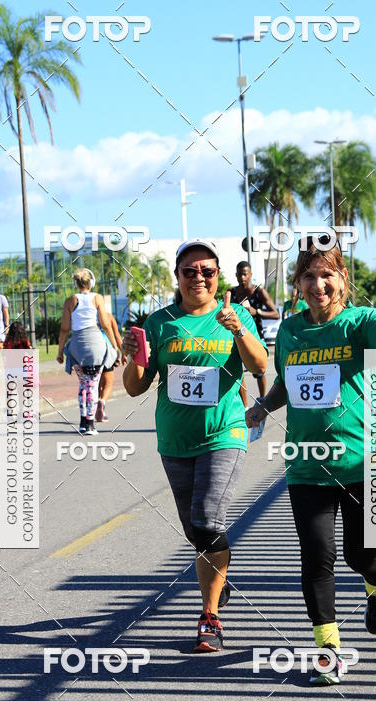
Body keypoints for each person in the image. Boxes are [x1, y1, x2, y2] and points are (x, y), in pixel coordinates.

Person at [246, 237, 376, 685]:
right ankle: (329, 649)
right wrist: (264, 406)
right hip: (306, 463)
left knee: (362, 556)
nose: (318, 284)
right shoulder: (290, 328)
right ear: (297, 283)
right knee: (317, 557)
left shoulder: (362, 321)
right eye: (308, 276)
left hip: (363, 462)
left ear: (342, 278)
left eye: (327, 275)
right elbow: (286, 382)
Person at [122, 239, 267, 652]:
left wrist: (238, 329)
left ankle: (210, 617)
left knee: (206, 520)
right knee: (196, 531)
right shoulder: (159, 323)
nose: (199, 277)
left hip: (225, 433)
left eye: (207, 271)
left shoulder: (236, 314)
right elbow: (135, 389)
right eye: (190, 271)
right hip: (175, 440)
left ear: (217, 276)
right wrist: (127, 356)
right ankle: (219, 578)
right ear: (178, 277)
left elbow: (259, 366)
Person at [56, 268, 119, 435]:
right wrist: (114, 346)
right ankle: (90, 423)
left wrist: (60, 351)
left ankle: (83, 420)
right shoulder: (97, 298)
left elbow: (64, 329)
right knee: (94, 383)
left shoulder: (70, 301)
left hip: (77, 344)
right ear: (91, 282)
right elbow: (105, 324)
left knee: (83, 384)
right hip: (95, 343)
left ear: (75, 283)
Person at [231, 260, 279, 401]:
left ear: (250, 274)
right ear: (236, 275)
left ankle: (262, 401)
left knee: (259, 372)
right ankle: (245, 406)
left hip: (256, 335)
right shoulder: (232, 293)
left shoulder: (258, 292)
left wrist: (256, 311)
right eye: (240, 275)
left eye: (245, 274)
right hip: (236, 336)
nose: (242, 278)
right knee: (238, 372)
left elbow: (275, 313)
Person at [96, 312, 126, 423]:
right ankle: (102, 402)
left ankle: (98, 402)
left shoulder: (88, 316)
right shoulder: (108, 316)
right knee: (108, 383)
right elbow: (117, 335)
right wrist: (123, 352)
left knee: (97, 382)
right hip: (107, 350)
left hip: (91, 350)